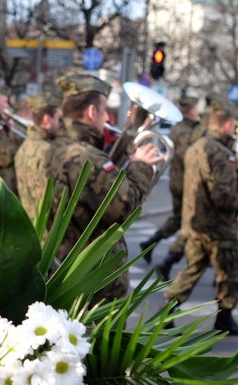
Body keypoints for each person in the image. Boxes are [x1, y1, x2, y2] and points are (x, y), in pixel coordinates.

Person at [43, 73, 163, 302]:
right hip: (95, 277)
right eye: (103, 111)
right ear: (91, 112)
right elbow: (126, 208)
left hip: (72, 264)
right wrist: (141, 167)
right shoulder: (86, 156)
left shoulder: (58, 147)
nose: (107, 117)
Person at [162, 98, 238, 335]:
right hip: (218, 228)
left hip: (195, 224)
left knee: (192, 270)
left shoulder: (198, 146)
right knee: (228, 276)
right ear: (227, 124)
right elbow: (223, 198)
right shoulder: (221, 154)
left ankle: (166, 314)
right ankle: (225, 320)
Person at [139, 95, 200, 274]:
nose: (198, 112)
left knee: (179, 219)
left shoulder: (190, 128)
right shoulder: (182, 130)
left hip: (184, 182)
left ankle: (150, 243)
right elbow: (186, 154)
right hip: (182, 183)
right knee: (189, 222)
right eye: (195, 109)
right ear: (188, 111)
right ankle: (169, 260)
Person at [14, 92, 62, 220]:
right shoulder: (49, 152)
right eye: (59, 119)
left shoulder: (25, 146)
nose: (61, 124)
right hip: (50, 232)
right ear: (47, 120)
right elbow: (56, 200)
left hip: (32, 225)